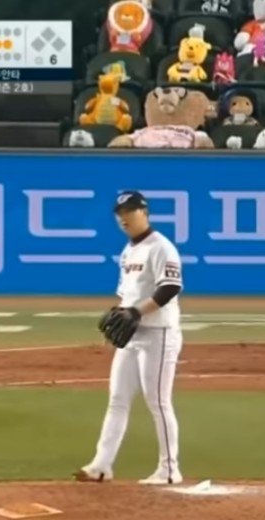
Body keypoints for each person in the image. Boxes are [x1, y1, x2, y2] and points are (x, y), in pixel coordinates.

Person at [74, 191, 185, 485]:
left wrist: (136, 312)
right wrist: (121, 316)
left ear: (144, 212)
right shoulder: (128, 251)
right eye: (120, 213)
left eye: (130, 211)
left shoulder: (161, 247)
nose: (124, 218)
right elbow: (126, 294)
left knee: (158, 401)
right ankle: (101, 465)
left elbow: (170, 288)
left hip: (159, 333)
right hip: (133, 336)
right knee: (118, 399)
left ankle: (169, 469)